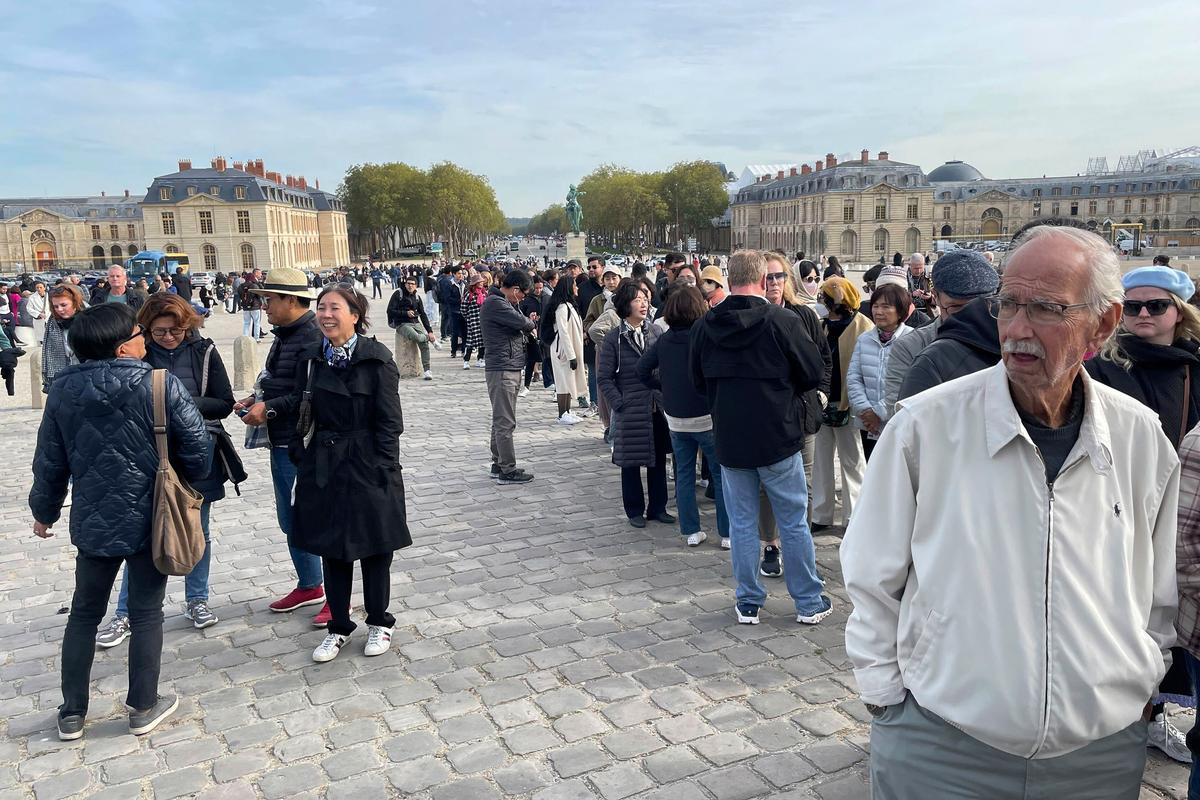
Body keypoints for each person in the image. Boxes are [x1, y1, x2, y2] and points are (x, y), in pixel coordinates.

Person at [841, 225, 1178, 798]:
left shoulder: (1139, 436)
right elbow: (871, 573)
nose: (1017, 330)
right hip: (941, 746)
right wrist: (886, 696)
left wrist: (1141, 678)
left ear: (1103, 322)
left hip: (1097, 754)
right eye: (1008, 305)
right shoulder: (926, 426)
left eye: (1045, 309)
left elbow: (1160, 587)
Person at [30, 303, 211, 741]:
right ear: (121, 345)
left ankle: (72, 713)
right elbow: (199, 452)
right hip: (154, 516)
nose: (144, 337)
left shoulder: (62, 392)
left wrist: (44, 511)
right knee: (147, 613)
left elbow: (49, 462)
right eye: (137, 332)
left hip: (93, 519)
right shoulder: (158, 383)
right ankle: (142, 707)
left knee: (84, 614)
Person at [1086, 265, 1200, 763]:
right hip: (1121, 510)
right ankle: (1129, 715)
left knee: (1170, 618)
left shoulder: (1195, 365)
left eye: (1157, 306)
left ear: (1180, 312)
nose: (1144, 315)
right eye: (1133, 306)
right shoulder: (1103, 367)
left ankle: (1157, 715)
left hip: (1185, 510)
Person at [690, 250, 829, 626]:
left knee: (742, 524)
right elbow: (813, 371)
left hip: (732, 438)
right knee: (793, 522)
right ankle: (808, 600)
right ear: (762, 279)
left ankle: (749, 599)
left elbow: (697, 380)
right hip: (778, 435)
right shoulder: (781, 320)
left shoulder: (706, 326)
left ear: (729, 279)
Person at [95, 293, 240, 646]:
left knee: (198, 531)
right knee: (142, 536)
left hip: (197, 451)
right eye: (160, 332)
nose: (169, 338)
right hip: (148, 455)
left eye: (175, 330)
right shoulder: (138, 353)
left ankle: (197, 599)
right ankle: (126, 612)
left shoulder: (203, 352)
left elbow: (223, 401)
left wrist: (176, 402)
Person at [290, 286, 411, 663]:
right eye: (321, 308)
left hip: (368, 464)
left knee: (376, 550)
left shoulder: (377, 359)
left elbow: (390, 422)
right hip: (324, 465)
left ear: (355, 315)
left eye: (334, 308)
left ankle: (379, 621)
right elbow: (299, 406)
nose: (325, 315)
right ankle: (338, 626)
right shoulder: (311, 359)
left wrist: (384, 468)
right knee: (334, 550)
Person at [234, 268, 327, 624]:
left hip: (301, 441)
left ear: (291, 300)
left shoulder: (311, 336)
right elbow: (281, 382)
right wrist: (256, 398)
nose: (264, 305)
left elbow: (311, 394)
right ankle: (310, 583)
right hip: (281, 438)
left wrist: (269, 408)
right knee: (290, 518)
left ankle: (336, 593)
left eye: (269, 298)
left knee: (313, 519)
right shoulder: (285, 334)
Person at [636, 285, 728, 547]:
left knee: (684, 475)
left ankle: (691, 531)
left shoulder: (664, 340)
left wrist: (662, 385)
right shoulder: (706, 337)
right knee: (720, 476)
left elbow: (642, 371)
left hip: (676, 417)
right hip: (706, 415)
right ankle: (726, 532)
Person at [883, 249, 999, 417]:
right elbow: (900, 419)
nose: (971, 317)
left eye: (980, 307)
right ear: (935, 296)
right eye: (957, 308)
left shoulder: (1011, 342)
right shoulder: (910, 348)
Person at [599, 279, 672, 528]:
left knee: (659, 460)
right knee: (630, 463)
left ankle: (658, 508)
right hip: (630, 409)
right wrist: (619, 404)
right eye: (638, 299)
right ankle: (634, 511)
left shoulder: (656, 332)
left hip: (656, 408)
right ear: (624, 304)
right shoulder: (614, 338)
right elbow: (604, 377)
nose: (644, 303)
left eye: (645, 298)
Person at [810, 277, 872, 531]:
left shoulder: (863, 326)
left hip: (850, 402)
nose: (821, 301)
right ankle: (821, 515)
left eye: (824, 297)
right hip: (823, 401)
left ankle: (853, 516)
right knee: (821, 460)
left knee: (853, 461)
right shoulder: (821, 325)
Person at [481, 270, 537, 484]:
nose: (523, 298)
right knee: (505, 421)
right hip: (503, 368)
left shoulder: (501, 302)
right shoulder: (497, 303)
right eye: (522, 294)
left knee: (500, 419)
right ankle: (507, 469)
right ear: (515, 290)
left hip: (507, 366)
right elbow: (525, 323)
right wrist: (527, 320)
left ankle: (499, 462)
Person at [847, 282, 913, 461]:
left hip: (898, 422)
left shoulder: (912, 340)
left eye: (886, 306)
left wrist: (879, 413)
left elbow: (909, 383)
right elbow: (854, 378)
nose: (878, 311)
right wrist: (865, 410)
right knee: (873, 470)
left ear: (900, 311)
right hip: (869, 425)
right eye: (875, 306)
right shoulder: (865, 339)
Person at [544, 275, 589, 423]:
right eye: (574, 285)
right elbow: (563, 332)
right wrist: (571, 355)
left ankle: (567, 411)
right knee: (563, 382)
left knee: (568, 380)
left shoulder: (569, 305)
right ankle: (562, 414)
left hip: (567, 349)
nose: (577, 287)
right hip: (562, 350)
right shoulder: (562, 308)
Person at [387, 276, 438, 380]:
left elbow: (423, 314)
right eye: (408, 283)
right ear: (405, 284)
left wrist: (430, 331)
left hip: (415, 322)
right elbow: (390, 310)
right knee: (418, 337)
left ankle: (427, 370)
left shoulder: (417, 297)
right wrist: (405, 313)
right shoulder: (398, 294)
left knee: (424, 345)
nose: (410, 286)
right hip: (402, 323)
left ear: (416, 286)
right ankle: (429, 339)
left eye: (412, 284)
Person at [42, 285, 85, 393]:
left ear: (75, 302)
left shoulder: (89, 319)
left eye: (63, 305)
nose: (59, 310)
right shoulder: (52, 323)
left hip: (87, 374)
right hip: (63, 375)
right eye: (55, 306)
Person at [240, 268, 265, 339]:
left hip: (245, 307)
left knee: (246, 323)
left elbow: (239, 295)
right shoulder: (254, 285)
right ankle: (256, 338)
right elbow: (259, 295)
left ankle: (245, 337)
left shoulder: (241, 286)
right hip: (255, 306)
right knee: (257, 323)